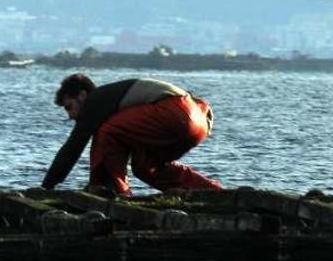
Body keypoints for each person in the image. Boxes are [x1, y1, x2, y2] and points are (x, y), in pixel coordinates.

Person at [41, 73, 223, 196]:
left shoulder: (95, 100)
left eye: (69, 107)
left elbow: (73, 147)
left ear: (82, 95)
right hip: (197, 123)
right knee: (145, 167)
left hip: (177, 111)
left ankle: (111, 192)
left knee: (107, 131)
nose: (70, 116)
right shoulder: (111, 102)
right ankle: (212, 193)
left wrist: (46, 187)